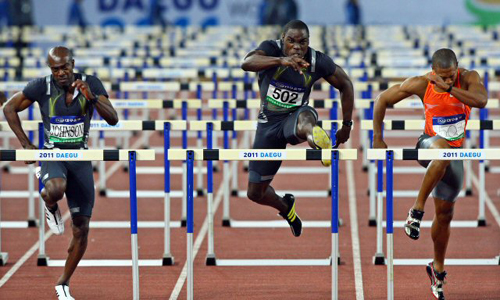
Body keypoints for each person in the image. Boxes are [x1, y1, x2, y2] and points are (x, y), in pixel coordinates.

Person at [3, 46, 119, 300]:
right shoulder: (40, 86)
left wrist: (93, 98)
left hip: (80, 158)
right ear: (50, 69)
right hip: (53, 154)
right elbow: (9, 108)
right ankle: (50, 203)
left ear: (72, 63)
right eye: (55, 69)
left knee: (81, 227)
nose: (61, 73)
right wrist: (26, 144)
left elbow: (113, 119)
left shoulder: (90, 83)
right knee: (55, 189)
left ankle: (63, 283)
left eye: (65, 67)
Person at [373, 48, 487, 300]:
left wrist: (449, 89)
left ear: (457, 67)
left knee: (445, 214)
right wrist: (378, 138)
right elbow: (382, 99)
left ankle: (437, 269)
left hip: (452, 155)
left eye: (451, 75)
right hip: (427, 145)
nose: (448, 80)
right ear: (433, 72)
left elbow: (480, 101)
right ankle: (416, 211)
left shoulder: (468, 78)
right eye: (443, 77)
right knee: (441, 151)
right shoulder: (421, 83)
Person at [241, 20, 354, 237]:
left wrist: (347, 125)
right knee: (255, 193)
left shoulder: (316, 60)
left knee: (306, 123)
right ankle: (286, 208)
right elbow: (247, 62)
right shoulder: (271, 49)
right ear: (283, 40)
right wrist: (281, 61)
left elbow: (345, 84)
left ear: (308, 42)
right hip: (268, 124)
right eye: (291, 41)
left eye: (302, 42)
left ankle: (320, 142)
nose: (297, 47)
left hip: (296, 116)